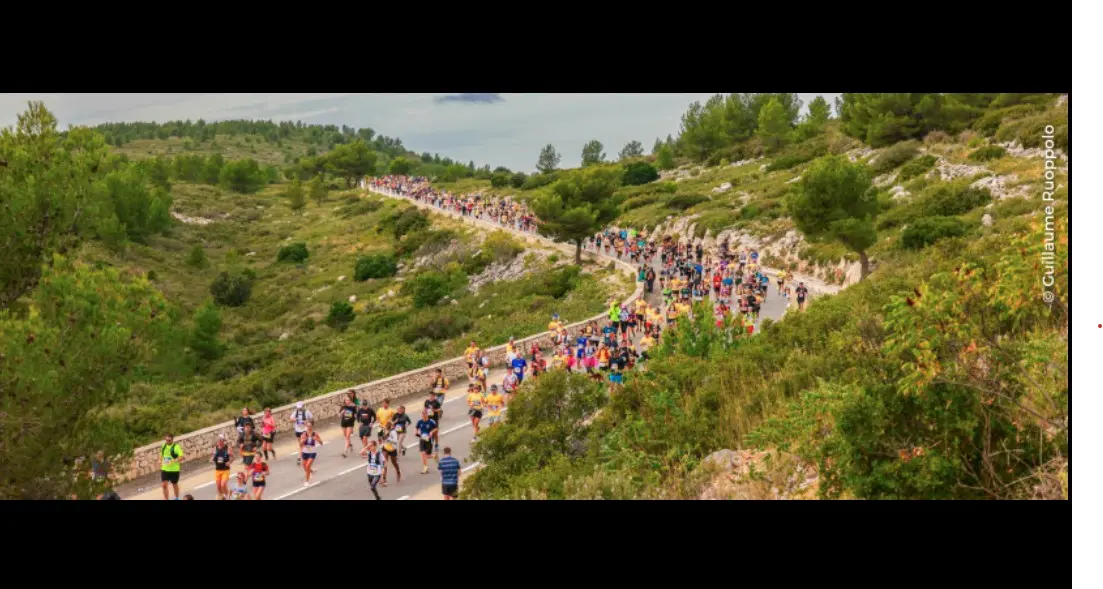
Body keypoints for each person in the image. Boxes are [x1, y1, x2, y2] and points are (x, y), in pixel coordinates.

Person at [160, 433, 184, 500]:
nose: (167, 441)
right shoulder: (163, 446)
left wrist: (173, 461)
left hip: (174, 469)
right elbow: (161, 454)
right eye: (166, 440)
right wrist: (160, 461)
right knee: (164, 485)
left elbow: (181, 456)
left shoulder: (176, 447)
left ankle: (176, 498)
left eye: (169, 440)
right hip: (165, 469)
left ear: (172, 440)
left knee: (174, 484)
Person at [299, 421, 323, 487]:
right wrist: (303, 440)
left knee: (307, 466)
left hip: (312, 452)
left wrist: (317, 439)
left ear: (312, 426)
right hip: (305, 452)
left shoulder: (315, 434)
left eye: (310, 426)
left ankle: (307, 481)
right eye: (307, 426)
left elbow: (321, 443)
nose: (308, 427)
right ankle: (311, 472)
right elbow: (300, 444)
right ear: (306, 426)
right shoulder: (303, 434)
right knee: (304, 467)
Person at [415, 409, 439, 475]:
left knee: (427, 455)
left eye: (425, 415)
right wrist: (416, 432)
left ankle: (434, 456)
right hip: (422, 439)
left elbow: (436, 428)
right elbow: (416, 428)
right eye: (423, 415)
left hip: (429, 439)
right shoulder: (419, 421)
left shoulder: (431, 421)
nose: (424, 417)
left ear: (427, 415)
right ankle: (425, 467)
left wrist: (431, 432)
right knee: (423, 453)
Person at [289, 402, 313, 466]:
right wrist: (294, 419)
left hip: (304, 430)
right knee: (301, 444)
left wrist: (307, 421)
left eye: (300, 407)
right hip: (297, 431)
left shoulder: (306, 412)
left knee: (303, 444)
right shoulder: (295, 413)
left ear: (302, 406)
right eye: (298, 407)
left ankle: (300, 457)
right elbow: (290, 419)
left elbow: (312, 419)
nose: (299, 408)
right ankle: (305, 455)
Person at [211, 434, 234, 500]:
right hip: (218, 469)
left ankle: (227, 497)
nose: (219, 442)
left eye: (221, 440)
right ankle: (222, 497)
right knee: (218, 487)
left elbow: (233, 457)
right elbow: (213, 457)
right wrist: (212, 459)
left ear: (223, 441)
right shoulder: (215, 448)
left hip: (225, 470)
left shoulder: (228, 448)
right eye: (218, 440)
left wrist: (229, 462)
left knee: (223, 484)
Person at [339, 393, 357, 458]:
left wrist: (353, 424)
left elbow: (355, 415)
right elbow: (339, 415)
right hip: (343, 423)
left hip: (350, 423)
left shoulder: (353, 407)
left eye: (348, 400)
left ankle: (345, 452)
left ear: (350, 400)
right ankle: (350, 445)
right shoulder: (343, 407)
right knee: (346, 437)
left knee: (347, 437)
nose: (347, 401)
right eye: (346, 400)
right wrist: (342, 413)